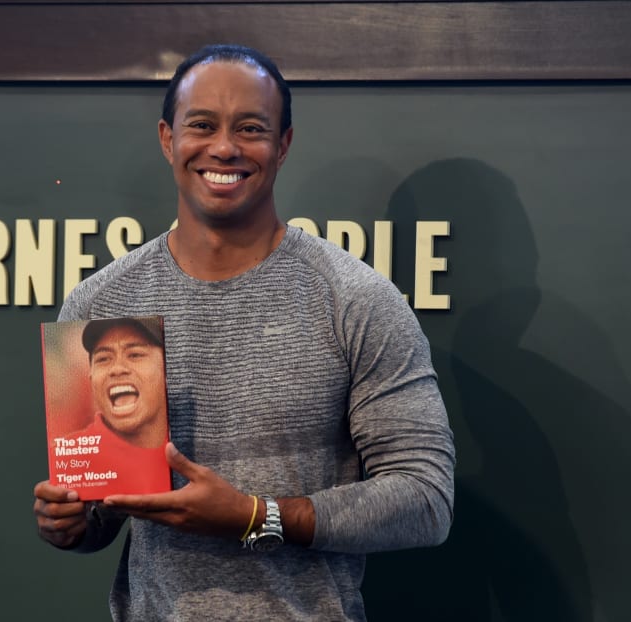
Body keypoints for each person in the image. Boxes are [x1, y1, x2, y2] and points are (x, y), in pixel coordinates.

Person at [34, 44, 455, 621]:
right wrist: (71, 522)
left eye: (250, 128)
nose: (224, 147)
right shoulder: (98, 303)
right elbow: (100, 514)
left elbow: (425, 499)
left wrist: (257, 517)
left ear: (282, 145)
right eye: (201, 125)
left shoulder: (356, 298)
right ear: (167, 138)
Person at [82, 317, 168, 449]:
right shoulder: (68, 461)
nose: (117, 369)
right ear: (91, 377)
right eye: (103, 359)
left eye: (135, 355)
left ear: (167, 369)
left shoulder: (198, 448)